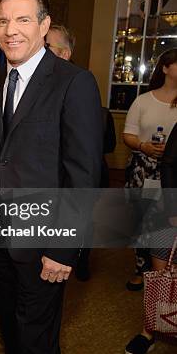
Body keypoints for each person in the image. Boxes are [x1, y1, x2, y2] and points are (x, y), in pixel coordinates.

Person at [0, 0, 103, 353]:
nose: (10, 30)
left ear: (44, 25)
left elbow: (84, 173)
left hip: (44, 242)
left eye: (22, 19)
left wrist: (64, 248)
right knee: (9, 331)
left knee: (37, 339)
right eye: (2, 21)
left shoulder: (74, 82)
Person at [45, 23, 117, 281]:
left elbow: (91, 155)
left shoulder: (79, 84)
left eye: (46, 46)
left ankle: (80, 257)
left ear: (64, 54)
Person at [122, 48, 177, 291]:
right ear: (165, 68)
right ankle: (141, 267)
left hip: (172, 173)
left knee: (164, 223)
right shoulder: (143, 101)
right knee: (141, 220)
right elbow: (128, 135)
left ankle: (164, 272)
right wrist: (144, 146)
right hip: (144, 171)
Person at [124, 124, 177, 354]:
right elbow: (170, 164)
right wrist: (174, 210)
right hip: (173, 211)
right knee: (161, 271)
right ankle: (149, 330)